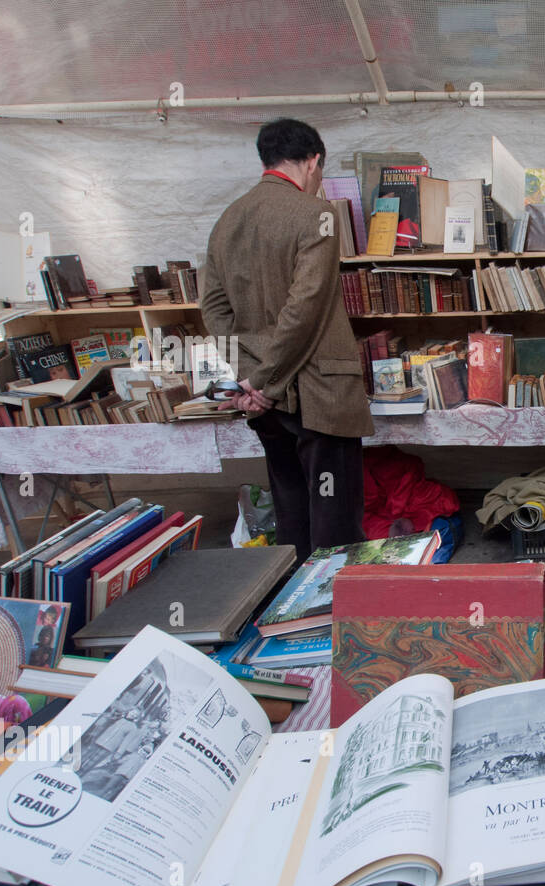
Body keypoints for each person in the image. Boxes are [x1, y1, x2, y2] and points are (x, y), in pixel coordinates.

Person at [201, 118, 374, 562]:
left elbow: (214, 310)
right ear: (314, 160)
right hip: (318, 392)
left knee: (292, 512)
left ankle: (291, 614)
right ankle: (331, 613)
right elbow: (307, 305)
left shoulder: (227, 220)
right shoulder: (315, 214)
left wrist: (250, 380)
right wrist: (267, 382)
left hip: (267, 403)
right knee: (334, 522)